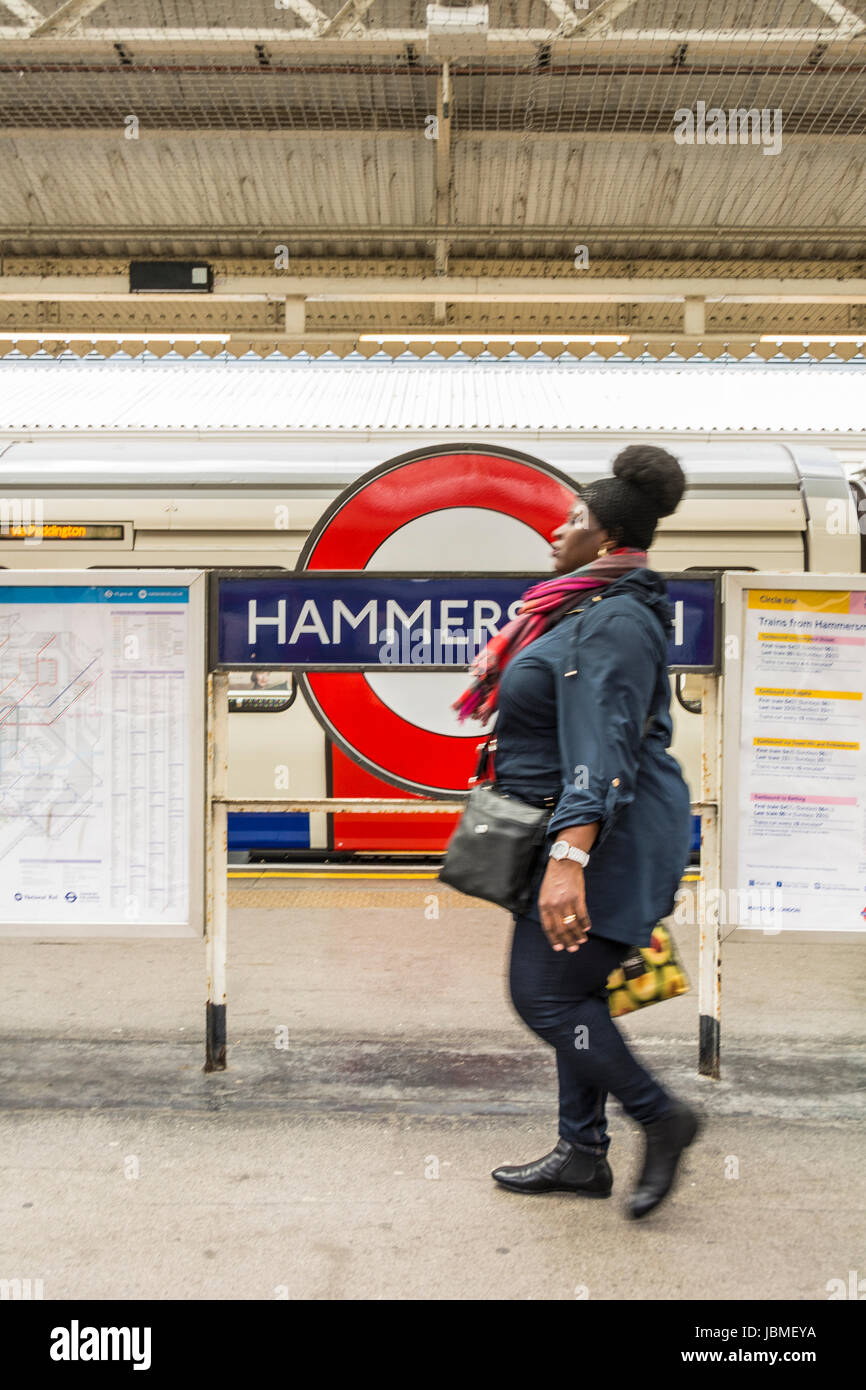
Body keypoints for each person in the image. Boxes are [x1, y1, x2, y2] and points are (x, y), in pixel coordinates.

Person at [453, 445, 700, 1219]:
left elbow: (605, 745)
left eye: (573, 519)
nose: (557, 531)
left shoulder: (618, 617)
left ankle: (663, 1118)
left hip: (605, 838)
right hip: (575, 826)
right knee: (578, 989)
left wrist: (569, 859)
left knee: (546, 997)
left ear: (606, 535)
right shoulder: (580, 606)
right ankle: (582, 1154)